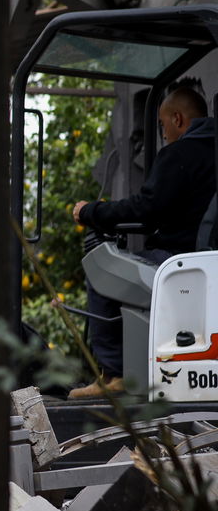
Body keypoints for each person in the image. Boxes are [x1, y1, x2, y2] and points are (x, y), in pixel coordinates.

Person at [69, 84, 215, 398]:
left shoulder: (180, 154)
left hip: (179, 261)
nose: (163, 133)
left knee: (103, 269)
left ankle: (115, 374)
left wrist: (92, 211)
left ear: (178, 119)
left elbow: (146, 209)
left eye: (162, 126)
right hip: (205, 261)